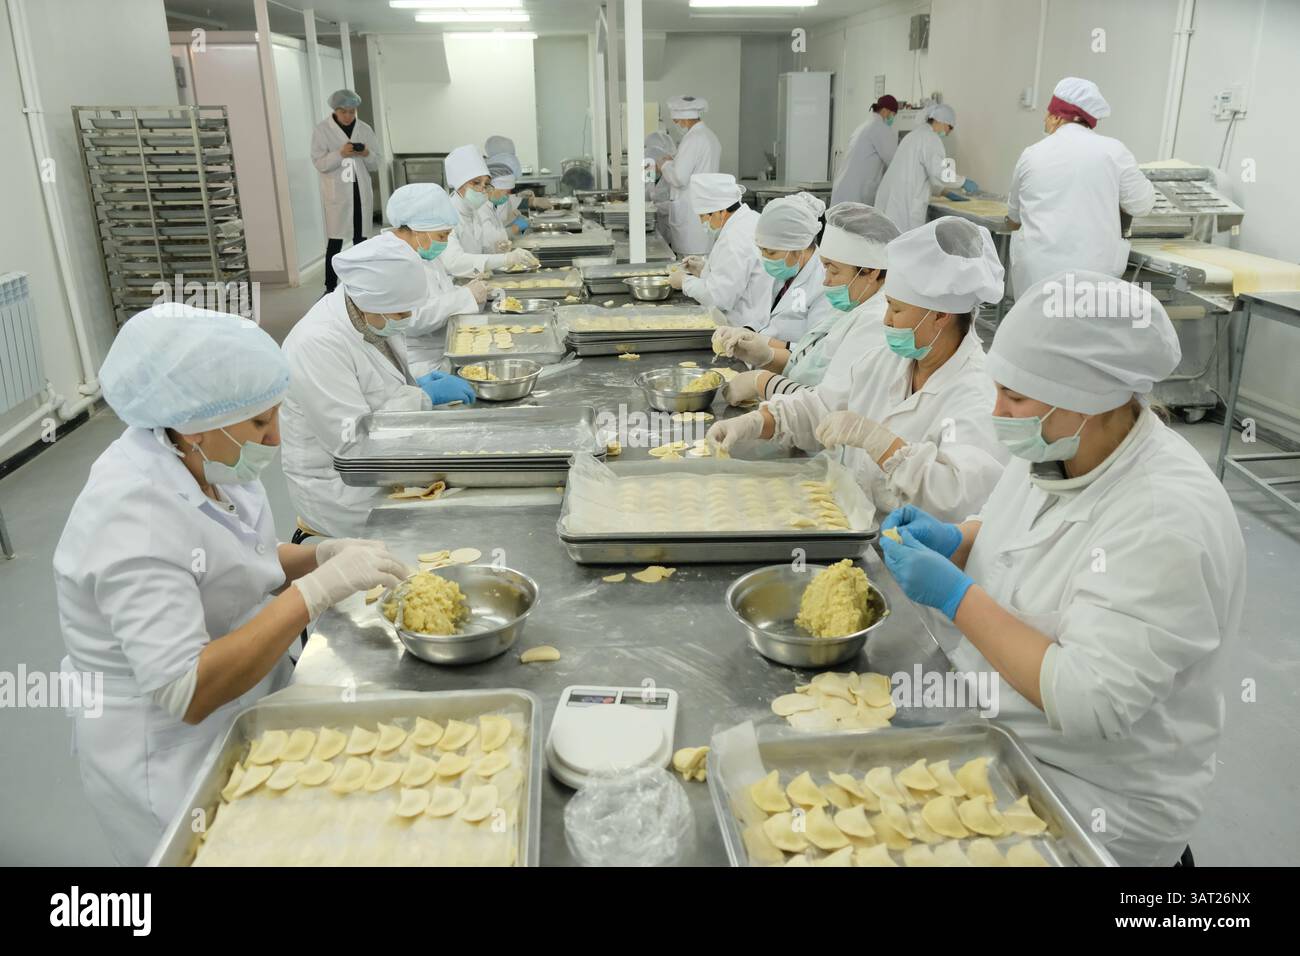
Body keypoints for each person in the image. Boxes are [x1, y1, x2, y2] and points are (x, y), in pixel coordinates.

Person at [878, 271, 1245, 866]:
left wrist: (957, 598)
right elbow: (1022, 535)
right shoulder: (1056, 444)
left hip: (1096, 799)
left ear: (1093, 401)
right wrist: (959, 539)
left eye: (1015, 399)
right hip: (1001, 729)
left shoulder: (1166, 518)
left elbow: (1088, 702)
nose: (999, 412)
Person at [53, 303, 410, 865]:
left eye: (274, 418)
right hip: (168, 748)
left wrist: (318, 555)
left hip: (247, 694)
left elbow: (235, 555)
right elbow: (186, 691)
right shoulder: (131, 518)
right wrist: (311, 593)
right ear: (191, 423)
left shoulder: (207, 461)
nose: (273, 441)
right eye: (258, 425)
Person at [707, 217, 1008, 523]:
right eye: (888, 305)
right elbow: (822, 410)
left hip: (905, 553)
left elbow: (956, 496)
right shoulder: (885, 361)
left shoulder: (976, 395)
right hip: (849, 523)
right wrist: (756, 422)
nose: (886, 320)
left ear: (941, 315)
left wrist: (883, 444)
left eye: (897, 309)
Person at [280, 233, 476, 539]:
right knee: (452, 524)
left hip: (383, 457)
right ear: (369, 301)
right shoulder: (316, 344)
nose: (407, 320)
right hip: (343, 490)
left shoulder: (374, 313)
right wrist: (423, 397)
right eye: (401, 313)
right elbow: (352, 443)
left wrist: (416, 388)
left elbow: (379, 388)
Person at [717, 202, 900, 405]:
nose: (826, 280)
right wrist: (766, 356)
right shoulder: (852, 306)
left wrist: (761, 382)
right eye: (825, 267)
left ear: (871, 272)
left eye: (834, 270)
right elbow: (812, 365)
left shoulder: (876, 322)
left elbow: (831, 401)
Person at [1006, 77, 1156, 298]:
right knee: (1085, 330)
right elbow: (1142, 205)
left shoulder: (1032, 154)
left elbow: (1014, 217)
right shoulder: (1114, 152)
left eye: (1047, 114)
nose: (1045, 120)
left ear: (1057, 116)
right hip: (1093, 273)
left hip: (1038, 271)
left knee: (1035, 329)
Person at [385, 183, 488, 373]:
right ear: (418, 229)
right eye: (442, 235)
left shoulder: (424, 252)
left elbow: (440, 295)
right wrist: (466, 296)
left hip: (441, 350)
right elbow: (412, 320)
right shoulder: (393, 262)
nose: (445, 242)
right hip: (418, 366)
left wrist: (469, 291)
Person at [667, 173, 770, 330]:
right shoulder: (750, 219)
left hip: (744, 325)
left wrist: (684, 282)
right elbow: (735, 276)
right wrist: (704, 270)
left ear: (720, 212)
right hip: (755, 314)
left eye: (703, 216)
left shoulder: (734, 238)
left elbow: (719, 298)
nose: (702, 222)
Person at [311, 89, 381, 294]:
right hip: (339, 195)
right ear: (335, 110)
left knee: (362, 240)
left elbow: (375, 162)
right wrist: (340, 153)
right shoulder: (322, 130)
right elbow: (319, 163)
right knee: (335, 241)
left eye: (353, 112)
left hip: (360, 193)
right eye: (344, 112)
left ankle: (363, 284)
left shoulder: (364, 129)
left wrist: (366, 153)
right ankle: (330, 287)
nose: (349, 116)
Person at [875, 103, 976, 233]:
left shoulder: (914, 135)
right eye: (950, 127)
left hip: (893, 198)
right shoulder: (930, 138)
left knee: (888, 242)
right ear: (941, 121)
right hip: (904, 204)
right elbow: (939, 173)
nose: (949, 132)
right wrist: (963, 181)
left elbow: (922, 173)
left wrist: (944, 192)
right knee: (904, 244)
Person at [439, 144, 537, 277]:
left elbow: (478, 252)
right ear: (458, 184)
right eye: (476, 183)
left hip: (473, 283)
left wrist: (497, 249)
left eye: (485, 184)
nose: (482, 189)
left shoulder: (473, 212)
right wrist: (505, 258)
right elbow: (454, 262)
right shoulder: (446, 216)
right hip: (454, 289)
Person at [750, 192, 834, 343]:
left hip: (792, 366)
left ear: (798, 248)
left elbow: (815, 349)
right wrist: (747, 330)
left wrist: (766, 346)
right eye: (761, 249)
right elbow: (762, 316)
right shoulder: (783, 270)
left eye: (770, 252)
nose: (765, 258)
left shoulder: (825, 284)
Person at [656, 94, 722, 255]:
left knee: (690, 264)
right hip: (704, 209)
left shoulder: (692, 139)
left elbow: (679, 178)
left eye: (676, 121)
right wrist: (674, 161)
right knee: (701, 260)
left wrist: (663, 165)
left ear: (685, 119)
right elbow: (694, 167)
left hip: (691, 215)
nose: (676, 125)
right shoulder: (709, 136)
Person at [830, 94, 900, 206]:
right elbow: (895, 161)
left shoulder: (864, 126)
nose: (893, 119)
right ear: (886, 111)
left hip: (845, 190)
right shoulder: (880, 129)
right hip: (856, 194)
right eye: (893, 115)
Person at [643, 130, 676, 246]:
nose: (651, 168)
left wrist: (655, 207)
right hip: (653, 227)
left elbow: (677, 205)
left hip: (671, 231)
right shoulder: (649, 169)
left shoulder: (675, 175)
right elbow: (645, 192)